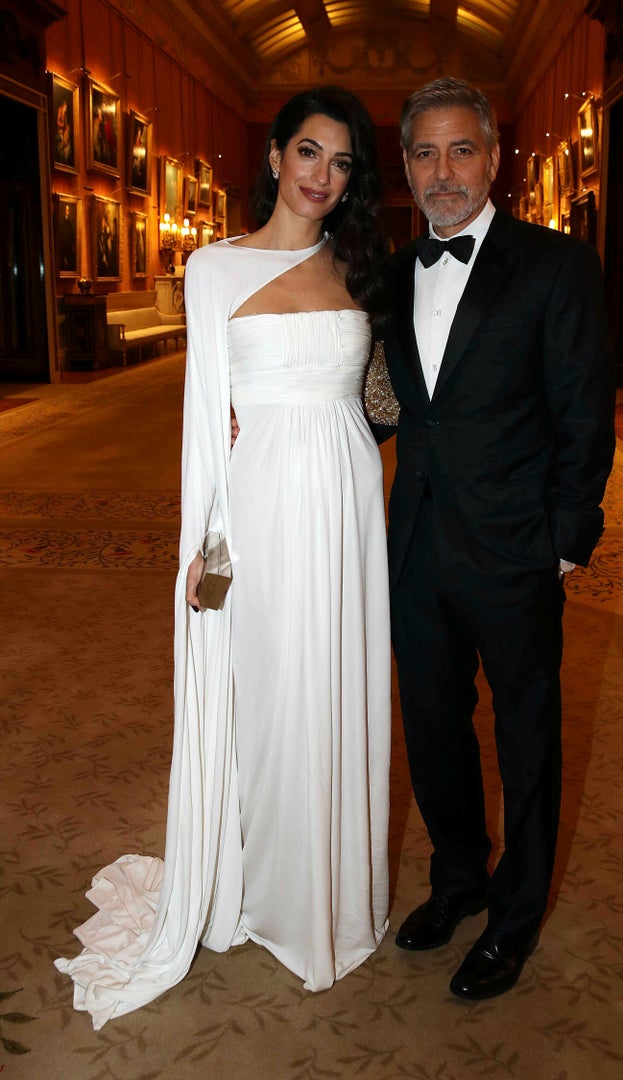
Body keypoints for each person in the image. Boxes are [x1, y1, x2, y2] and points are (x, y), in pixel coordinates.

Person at [55, 85, 392, 1029]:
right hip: (263, 503)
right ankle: (270, 888)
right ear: (277, 155)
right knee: (274, 693)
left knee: (338, 686)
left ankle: (333, 889)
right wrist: (204, 548)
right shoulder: (212, 270)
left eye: (342, 163)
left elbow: (379, 398)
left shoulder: (357, 262)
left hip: (350, 501)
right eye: (310, 153)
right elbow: (206, 424)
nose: (324, 176)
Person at [381, 77, 616, 1000]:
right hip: (419, 549)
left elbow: (583, 412)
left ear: (494, 157)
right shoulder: (393, 274)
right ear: (404, 168)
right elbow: (387, 406)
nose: (444, 172)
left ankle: (516, 918)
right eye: (426, 154)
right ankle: (459, 879)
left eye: (461, 150)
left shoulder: (556, 266)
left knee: (526, 738)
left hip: (518, 549)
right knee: (434, 728)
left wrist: (564, 539)